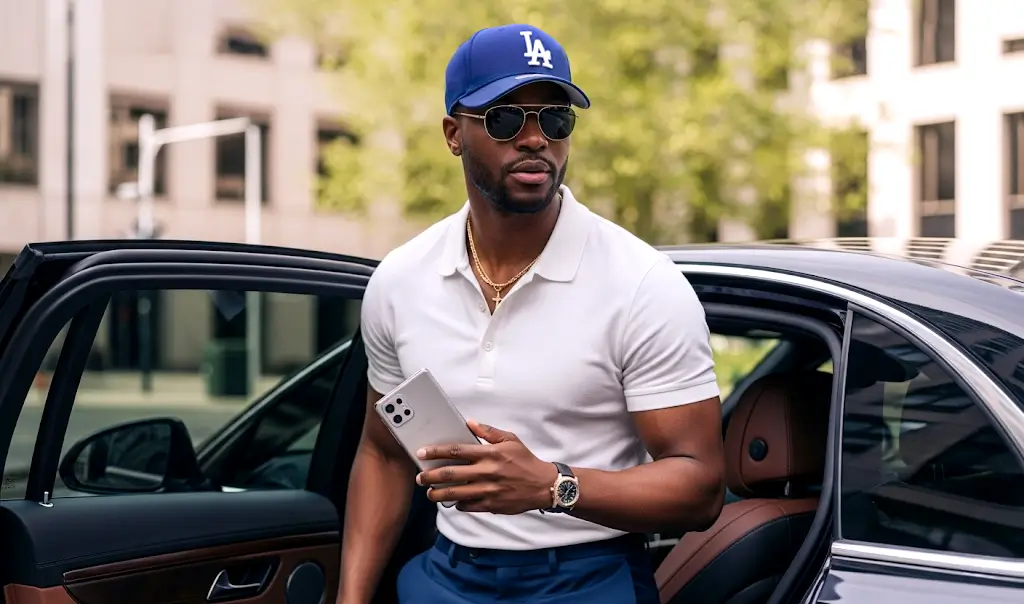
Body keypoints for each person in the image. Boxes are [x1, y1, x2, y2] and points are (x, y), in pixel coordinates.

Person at [339, 23, 726, 604]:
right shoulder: (401, 279)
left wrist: (554, 486)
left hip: (588, 580)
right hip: (443, 577)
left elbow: (699, 485)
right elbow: (382, 453)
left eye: (555, 118)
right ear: (454, 134)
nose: (535, 138)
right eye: (504, 119)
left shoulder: (643, 284)